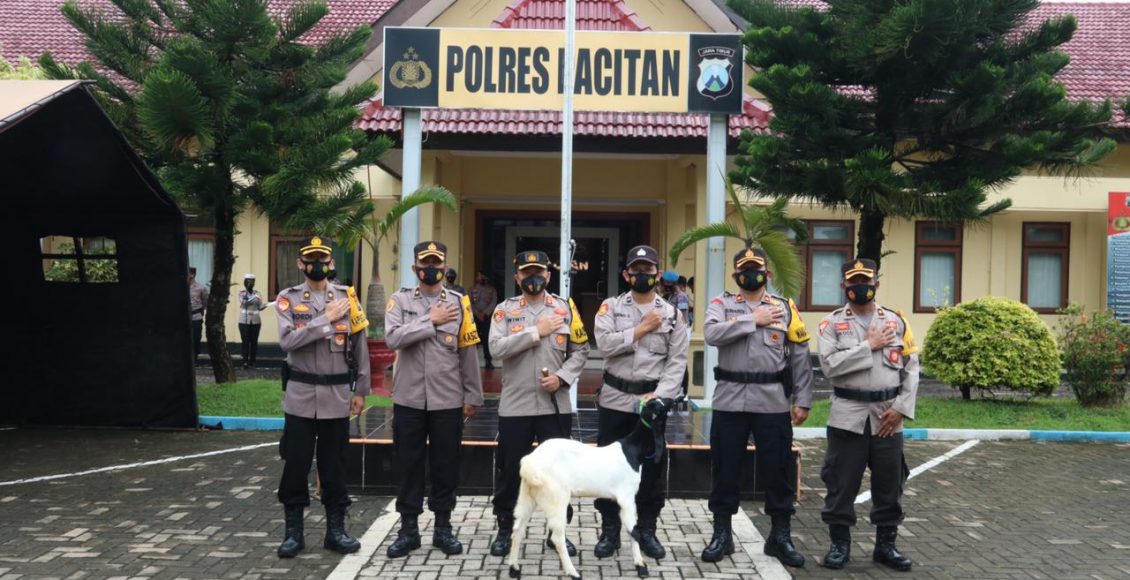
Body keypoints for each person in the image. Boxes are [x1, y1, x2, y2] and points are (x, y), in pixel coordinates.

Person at [701, 247, 814, 567]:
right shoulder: (721, 305)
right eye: (745, 270)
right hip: (730, 400)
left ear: (768, 274)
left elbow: (801, 355)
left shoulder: (785, 308)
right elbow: (711, 334)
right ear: (735, 276)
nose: (751, 274)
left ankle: (780, 536)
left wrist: (803, 399)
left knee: (778, 470)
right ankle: (722, 534)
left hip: (772, 402)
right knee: (725, 469)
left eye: (757, 269)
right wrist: (753, 319)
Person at [816, 258, 919, 572]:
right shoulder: (831, 324)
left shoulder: (897, 321)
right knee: (841, 483)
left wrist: (901, 408)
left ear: (877, 284)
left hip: (888, 416)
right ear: (843, 286)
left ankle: (885, 547)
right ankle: (839, 546)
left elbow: (911, 368)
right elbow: (830, 366)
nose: (860, 287)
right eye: (854, 282)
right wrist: (868, 345)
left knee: (890, 484)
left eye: (866, 281)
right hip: (848, 415)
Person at [487, 250, 591, 557]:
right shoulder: (504, 311)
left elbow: (581, 351)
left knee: (559, 475)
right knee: (511, 471)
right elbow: (495, 348)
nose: (533, 277)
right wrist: (536, 332)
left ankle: (557, 533)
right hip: (515, 406)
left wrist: (562, 377)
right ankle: (506, 530)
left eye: (538, 272)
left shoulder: (565, 308)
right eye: (526, 272)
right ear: (517, 276)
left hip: (553, 406)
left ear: (548, 275)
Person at [384, 241, 484, 558]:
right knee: (408, 465)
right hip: (409, 399)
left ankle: (443, 528)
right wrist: (431, 320)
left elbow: (467, 352)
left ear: (445, 268)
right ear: (415, 268)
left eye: (436, 264)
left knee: (446, 466)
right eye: (425, 264)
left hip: (447, 400)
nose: (431, 269)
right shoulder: (399, 300)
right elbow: (393, 338)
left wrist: (473, 395)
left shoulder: (459, 303)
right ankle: (408, 530)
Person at [274, 236, 370, 559]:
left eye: (322, 259)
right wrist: (324, 319)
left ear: (331, 262)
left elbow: (360, 346)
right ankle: (293, 534)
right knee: (295, 464)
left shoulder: (347, 298)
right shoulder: (287, 299)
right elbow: (288, 342)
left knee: (335, 466)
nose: (317, 264)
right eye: (311, 259)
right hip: (300, 397)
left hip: (336, 398)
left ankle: (336, 531)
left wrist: (362, 390)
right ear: (300, 263)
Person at [591, 244, 689, 561]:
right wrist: (641, 329)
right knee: (608, 469)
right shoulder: (611, 307)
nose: (643, 274)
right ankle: (610, 531)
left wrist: (662, 396)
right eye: (637, 270)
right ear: (626, 274)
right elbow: (604, 345)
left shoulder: (673, 314)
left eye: (648, 270)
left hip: (651, 404)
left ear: (657, 274)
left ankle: (646, 529)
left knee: (652, 469)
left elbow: (677, 360)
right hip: (615, 400)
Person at [470, 272, 499, 369]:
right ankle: (472, 361)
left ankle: (488, 361)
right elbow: (469, 303)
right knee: (473, 338)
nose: (481, 278)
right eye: (479, 276)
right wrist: (477, 313)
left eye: (483, 276)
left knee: (487, 339)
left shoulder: (492, 290)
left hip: (487, 317)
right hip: (475, 316)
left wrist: (485, 313)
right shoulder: (472, 289)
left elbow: (493, 302)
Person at [238, 273, 268, 368]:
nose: (250, 283)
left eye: (252, 281)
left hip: (256, 321)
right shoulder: (242, 293)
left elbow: (260, 307)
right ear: (245, 282)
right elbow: (244, 302)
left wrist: (266, 305)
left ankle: (252, 361)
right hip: (244, 321)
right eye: (248, 281)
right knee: (245, 341)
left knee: (254, 341)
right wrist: (252, 296)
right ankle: (245, 361)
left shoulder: (257, 293)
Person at [188, 267, 208, 362]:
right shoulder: (182, 287)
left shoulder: (201, 288)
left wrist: (200, 311)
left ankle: (195, 359)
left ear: (192, 275)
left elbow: (205, 302)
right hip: (184, 318)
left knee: (196, 338)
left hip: (196, 316)